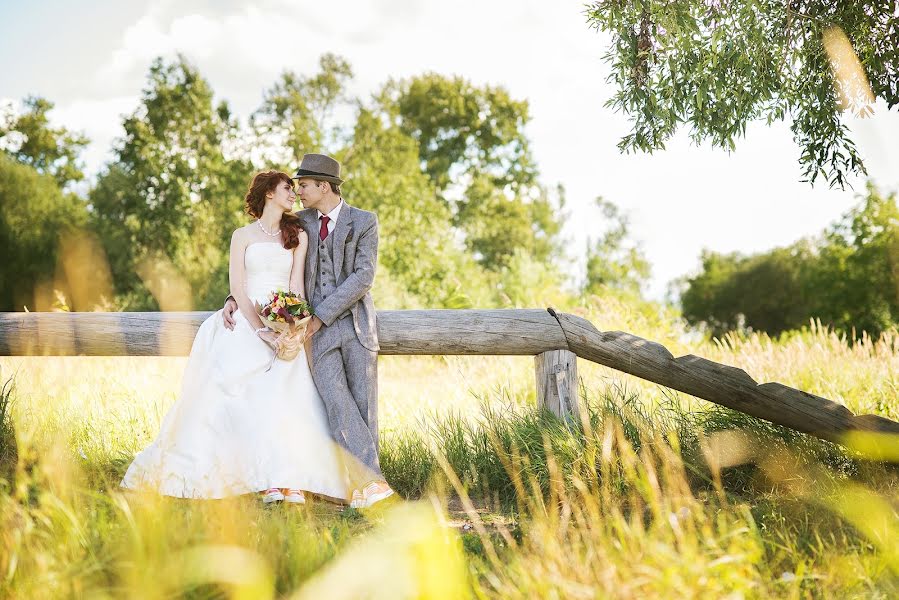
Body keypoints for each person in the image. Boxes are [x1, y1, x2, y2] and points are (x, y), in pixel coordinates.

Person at [121, 170, 348, 505]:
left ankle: (289, 478)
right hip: (244, 322)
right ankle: (261, 479)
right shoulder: (241, 236)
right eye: (288, 188)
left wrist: (293, 327)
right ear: (269, 193)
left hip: (283, 322)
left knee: (287, 397)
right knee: (237, 398)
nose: (294, 195)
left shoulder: (297, 233)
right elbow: (239, 288)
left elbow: (296, 285)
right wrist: (259, 329)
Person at [223, 153, 393, 509]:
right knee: (335, 402)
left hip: (358, 325)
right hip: (316, 331)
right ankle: (372, 484)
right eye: (296, 185)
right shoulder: (298, 224)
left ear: (324, 186)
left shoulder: (364, 221)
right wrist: (235, 297)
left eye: (303, 184)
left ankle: (362, 488)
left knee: (364, 406)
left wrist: (321, 315)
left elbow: (363, 276)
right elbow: (263, 250)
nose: (298, 190)